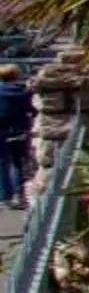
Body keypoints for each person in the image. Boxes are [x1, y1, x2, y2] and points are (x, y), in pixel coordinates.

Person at [0, 64, 32, 211]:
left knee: (2, 164)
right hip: (19, 130)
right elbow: (32, 109)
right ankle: (19, 195)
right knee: (18, 163)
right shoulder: (24, 92)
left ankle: (5, 197)